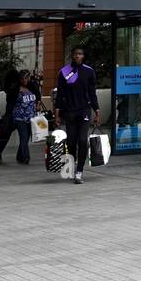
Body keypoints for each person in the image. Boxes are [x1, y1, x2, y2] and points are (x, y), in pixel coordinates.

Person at [55, 46, 100, 185]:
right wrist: (57, 114)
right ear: (72, 56)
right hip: (69, 112)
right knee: (71, 143)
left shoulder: (89, 71)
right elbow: (60, 95)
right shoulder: (64, 72)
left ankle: (79, 171)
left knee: (82, 140)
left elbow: (92, 93)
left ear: (83, 56)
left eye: (80, 54)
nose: (77, 56)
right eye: (75, 54)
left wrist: (97, 111)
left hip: (84, 111)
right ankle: (73, 164)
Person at [11, 74, 38, 165]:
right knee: (23, 137)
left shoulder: (32, 88)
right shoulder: (16, 89)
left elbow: (37, 99)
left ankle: (19, 156)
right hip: (20, 117)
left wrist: (36, 106)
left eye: (26, 78)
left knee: (26, 139)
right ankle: (26, 157)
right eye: (22, 78)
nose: (24, 79)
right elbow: (10, 101)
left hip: (31, 118)